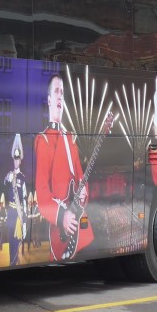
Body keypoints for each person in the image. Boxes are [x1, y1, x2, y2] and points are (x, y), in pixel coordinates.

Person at [34, 73, 94, 261]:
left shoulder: (70, 138)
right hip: (60, 229)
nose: (60, 96)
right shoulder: (43, 140)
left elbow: (80, 178)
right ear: (50, 100)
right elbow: (42, 194)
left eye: (62, 93)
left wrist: (84, 191)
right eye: (56, 92)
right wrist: (62, 217)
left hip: (78, 225)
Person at [2, 133, 29, 266]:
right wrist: (7, 178)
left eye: (18, 159)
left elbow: (24, 199)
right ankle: (11, 263)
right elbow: (4, 184)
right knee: (10, 242)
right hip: (11, 214)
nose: (16, 161)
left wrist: (24, 222)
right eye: (14, 159)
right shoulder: (9, 176)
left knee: (16, 242)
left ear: (20, 161)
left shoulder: (23, 178)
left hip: (18, 215)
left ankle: (14, 264)